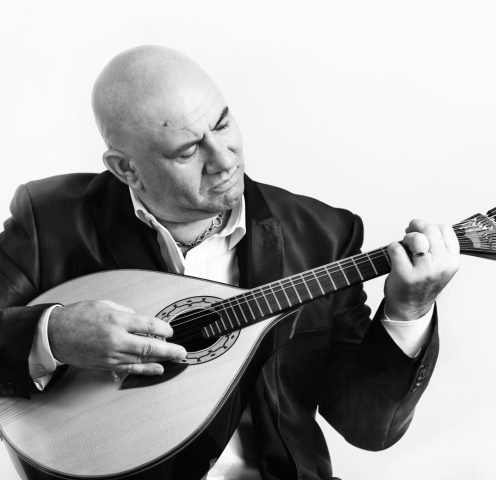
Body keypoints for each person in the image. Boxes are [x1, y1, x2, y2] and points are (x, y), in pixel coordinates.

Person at [0, 45, 460, 480]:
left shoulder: (322, 236)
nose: (223, 160)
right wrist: (53, 335)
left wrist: (409, 309)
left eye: (221, 126)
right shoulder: (51, 221)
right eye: (187, 151)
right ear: (126, 168)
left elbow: (368, 428)